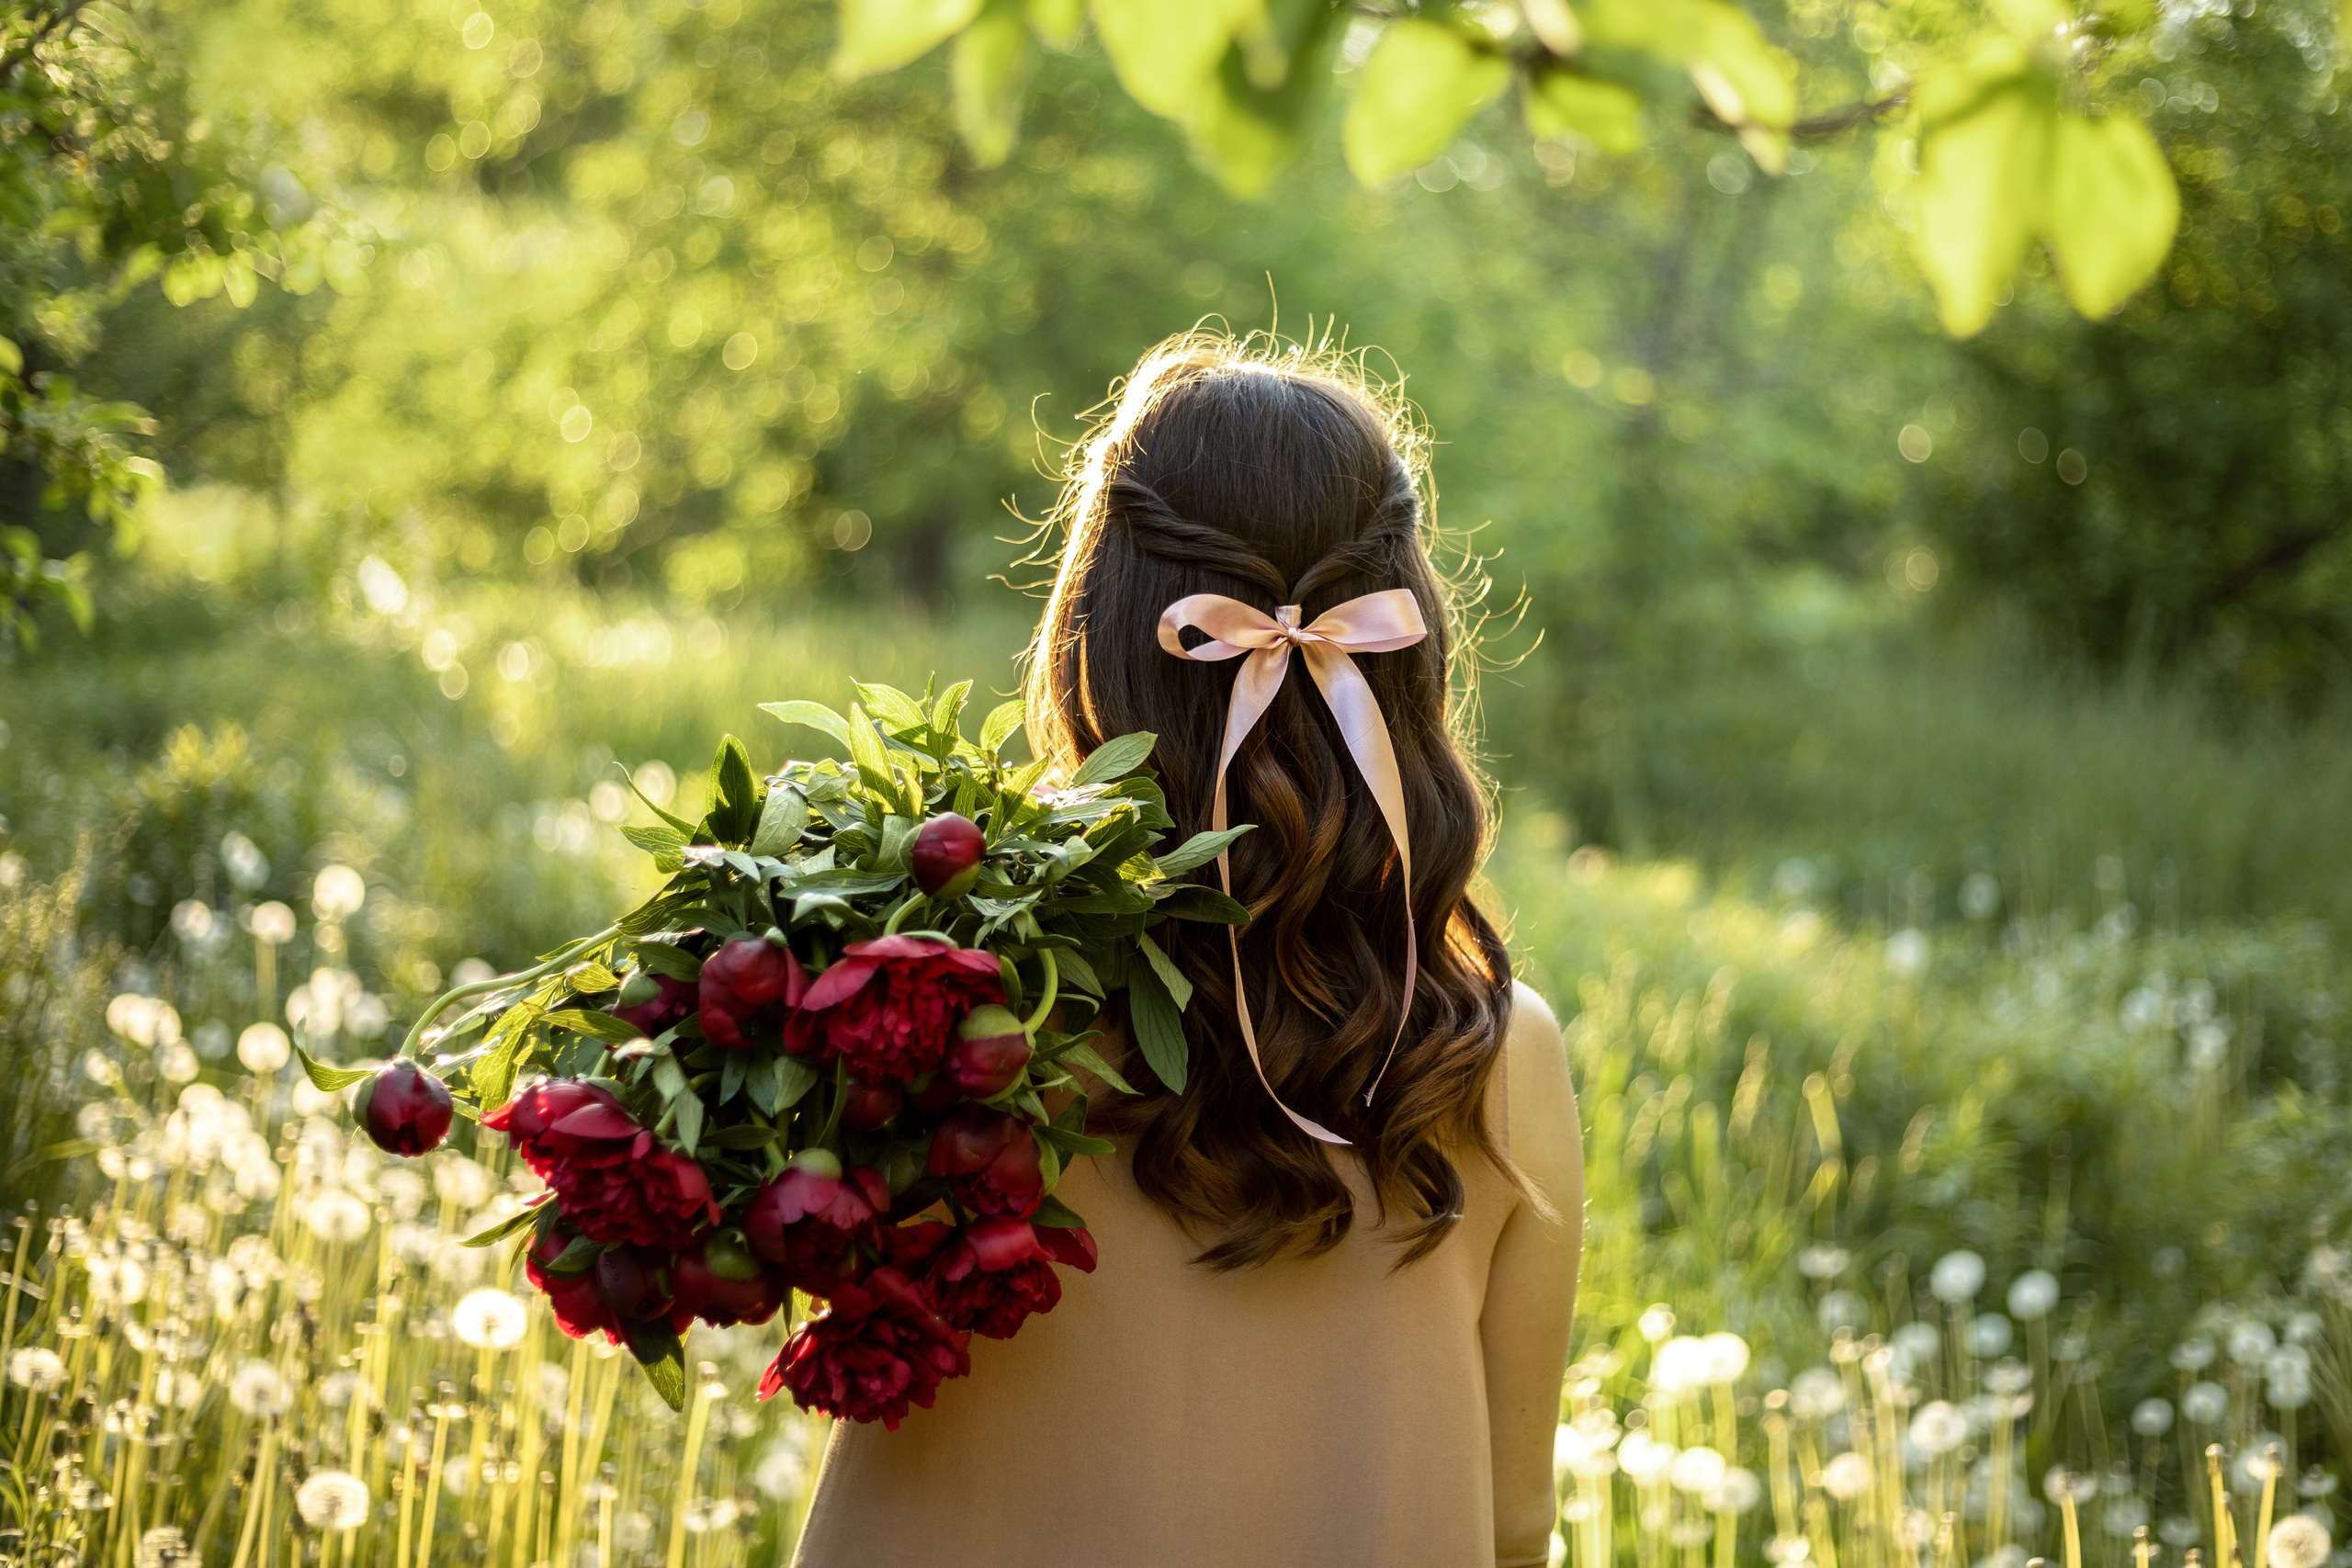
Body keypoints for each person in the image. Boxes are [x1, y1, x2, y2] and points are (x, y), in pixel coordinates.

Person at [792, 333, 1583, 1568]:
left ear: (1090, 632)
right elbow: (1515, 1518)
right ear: (1410, 641)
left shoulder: (942, 1000)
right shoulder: (1498, 1059)